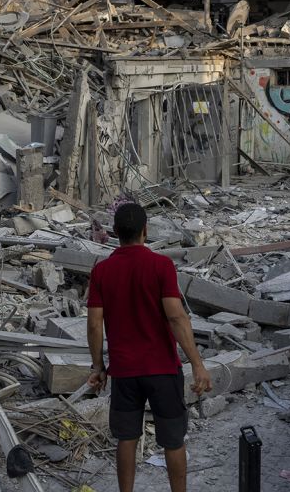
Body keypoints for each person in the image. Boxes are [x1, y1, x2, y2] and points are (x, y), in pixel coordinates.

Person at [87, 203, 212, 492]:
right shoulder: (161, 266)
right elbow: (175, 315)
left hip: (125, 373)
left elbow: (95, 324)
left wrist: (98, 366)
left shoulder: (102, 271)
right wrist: (197, 362)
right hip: (162, 370)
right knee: (173, 440)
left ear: (115, 232)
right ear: (145, 231)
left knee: (126, 439)